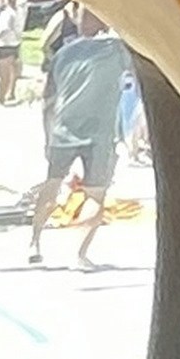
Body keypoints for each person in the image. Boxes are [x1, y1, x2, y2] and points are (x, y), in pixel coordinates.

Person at [31, 14, 140, 268]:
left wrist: (48, 137)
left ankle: (34, 242)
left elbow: (48, 101)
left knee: (51, 187)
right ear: (104, 23)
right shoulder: (117, 51)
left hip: (63, 131)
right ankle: (79, 255)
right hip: (100, 135)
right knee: (95, 195)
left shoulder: (65, 54)